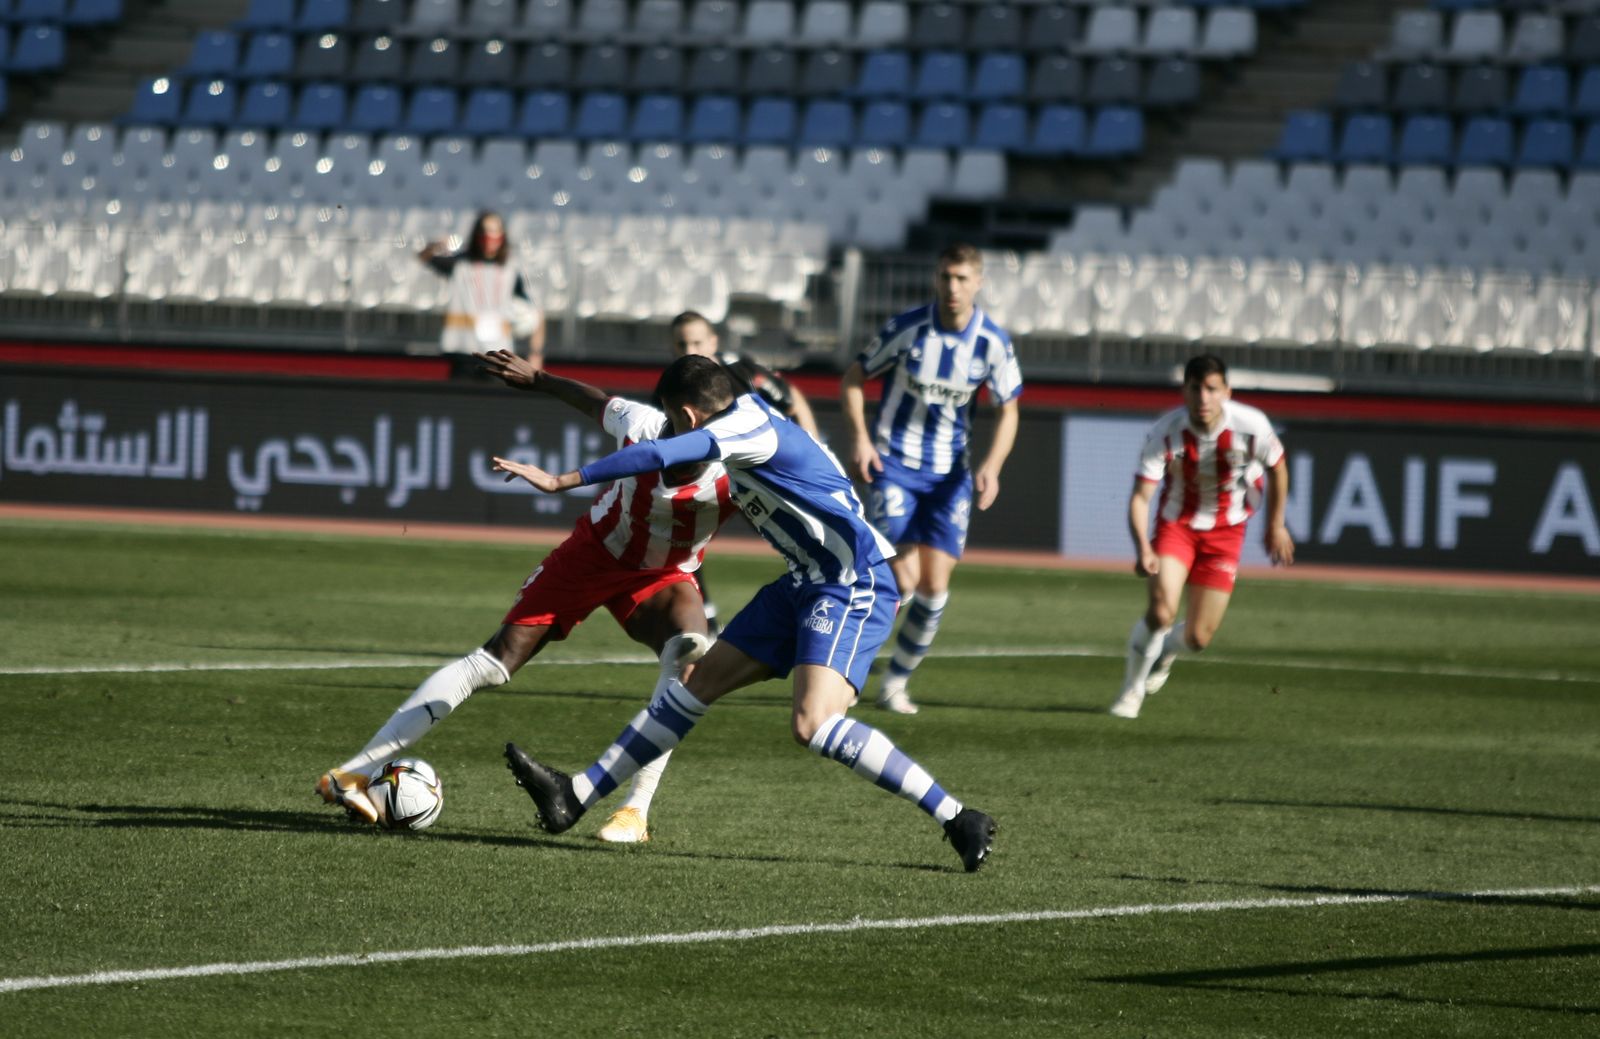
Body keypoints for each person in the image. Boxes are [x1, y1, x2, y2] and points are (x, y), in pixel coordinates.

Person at [491, 354, 997, 872]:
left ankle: (959, 818)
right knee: (692, 687)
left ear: (687, 415)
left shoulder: (742, 430)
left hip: (852, 582)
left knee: (814, 724)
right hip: (803, 581)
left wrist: (564, 480)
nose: (666, 425)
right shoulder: (745, 415)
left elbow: (664, 451)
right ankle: (573, 796)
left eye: (670, 415)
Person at [316, 350, 737, 844]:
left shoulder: (743, 465)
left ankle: (634, 813)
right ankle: (353, 774)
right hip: (592, 557)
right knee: (494, 662)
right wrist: (538, 378)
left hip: (664, 576)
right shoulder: (641, 426)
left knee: (689, 653)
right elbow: (596, 401)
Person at [840, 244, 1022, 715]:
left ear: (978, 282)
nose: (953, 287)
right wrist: (861, 439)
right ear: (935, 280)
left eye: (962, 278)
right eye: (946, 277)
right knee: (903, 578)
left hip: (950, 475)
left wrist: (993, 466)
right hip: (895, 465)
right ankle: (843, 662)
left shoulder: (993, 343)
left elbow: (1009, 410)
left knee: (935, 588)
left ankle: (895, 682)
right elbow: (854, 378)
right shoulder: (908, 329)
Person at [1110, 354, 1296, 720]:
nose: (1204, 398)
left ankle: (1165, 653)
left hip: (1226, 534)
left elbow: (1278, 468)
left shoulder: (1252, 425)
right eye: (1196, 388)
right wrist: (1143, 548)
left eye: (1212, 389)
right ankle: (1131, 691)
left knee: (1198, 638)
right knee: (1161, 611)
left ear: (1226, 391)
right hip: (1176, 527)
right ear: (1185, 391)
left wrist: (1275, 525)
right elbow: (1140, 497)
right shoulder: (1165, 431)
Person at [669, 309, 820, 634]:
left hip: (760, 477)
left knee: (804, 542)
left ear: (714, 342)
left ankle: (821, 604)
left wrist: (814, 453)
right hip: (711, 480)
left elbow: (794, 402)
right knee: (677, 535)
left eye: (696, 341)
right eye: (681, 344)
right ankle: (706, 624)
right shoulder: (671, 387)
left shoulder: (742, 372)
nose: (689, 350)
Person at [419, 211, 545, 370]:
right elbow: (424, 256)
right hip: (463, 348)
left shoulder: (510, 270)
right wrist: (437, 244)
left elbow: (535, 312)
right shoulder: (461, 264)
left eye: (494, 231)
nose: (489, 238)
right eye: (485, 232)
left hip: (498, 353)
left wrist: (536, 353)